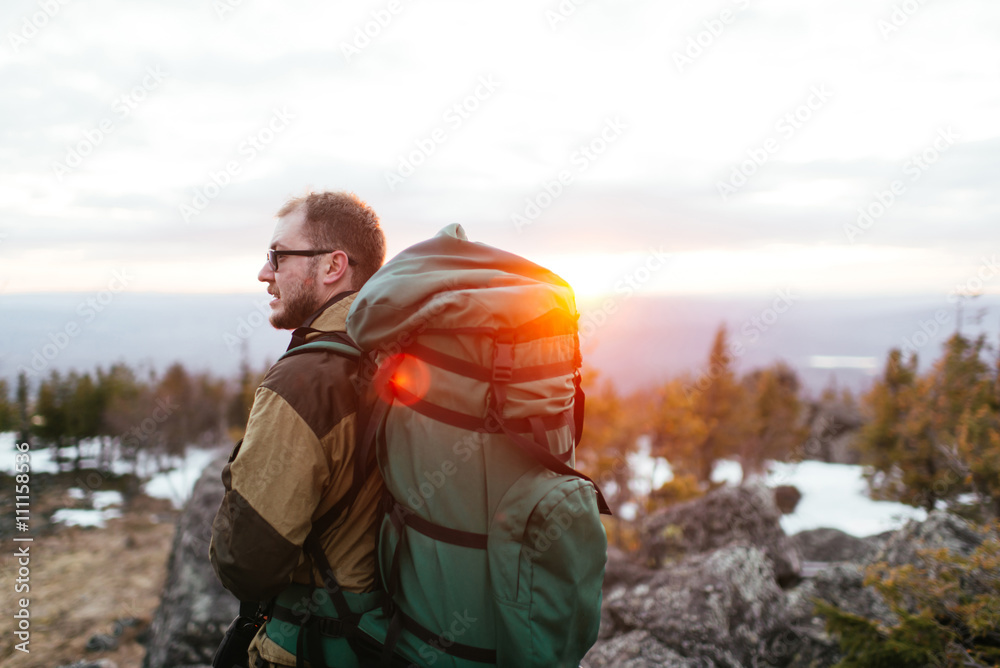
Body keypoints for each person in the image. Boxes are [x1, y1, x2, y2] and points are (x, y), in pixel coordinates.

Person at [210, 191, 387, 668]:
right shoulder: (393, 356)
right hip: (385, 643)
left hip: (309, 649)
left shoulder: (304, 382)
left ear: (332, 266)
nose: (264, 273)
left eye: (278, 256)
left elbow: (247, 565)